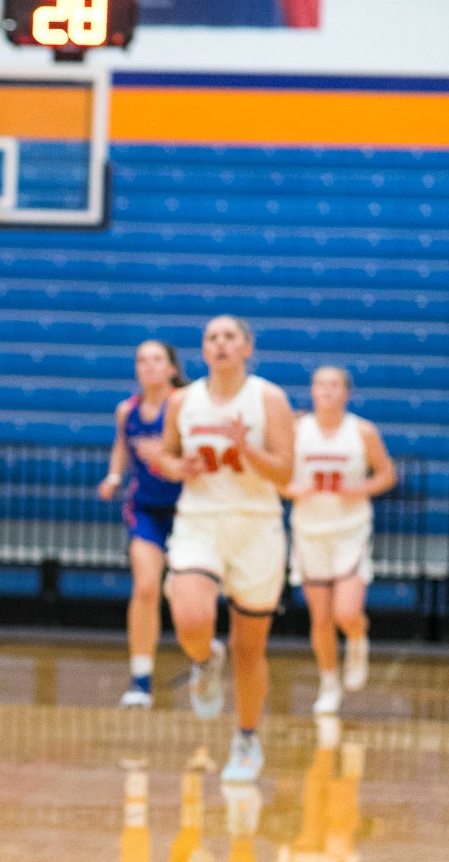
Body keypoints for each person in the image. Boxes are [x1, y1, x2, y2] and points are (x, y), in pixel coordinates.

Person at [140, 314, 293, 784]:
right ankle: (205, 661)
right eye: (212, 337)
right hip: (200, 520)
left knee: (251, 648)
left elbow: (286, 476)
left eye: (230, 337)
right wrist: (174, 464)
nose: (220, 344)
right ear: (203, 351)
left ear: (247, 347)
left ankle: (246, 738)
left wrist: (247, 448)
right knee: (189, 616)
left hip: (256, 526)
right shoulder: (182, 399)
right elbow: (166, 455)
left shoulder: (268, 398)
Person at [284, 367, 396, 715]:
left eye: (333, 385)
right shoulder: (295, 430)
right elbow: (275, 476)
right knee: (320, 616)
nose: (326, 390)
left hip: (350, 530)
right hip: (309, 531)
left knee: (345, 612)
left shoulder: (362, 432)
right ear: (312, 391)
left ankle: (358, 639)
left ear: (346, 393)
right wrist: (291, 490)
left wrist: (359, 490)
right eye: (320, 384)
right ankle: (329, 682)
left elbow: (388, 474)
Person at [98, 340, 185, 708]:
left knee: (180, 592)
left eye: (156, 360)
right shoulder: (127, 410)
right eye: (142, 360)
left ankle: (201, 654)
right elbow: (122, 447)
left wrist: (167, 458)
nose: (148, 366)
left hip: (188, 510)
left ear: (171, 368)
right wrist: (114, 475)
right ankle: (140, 678)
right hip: (147, 508)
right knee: (146, 586)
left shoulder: (186, 405)